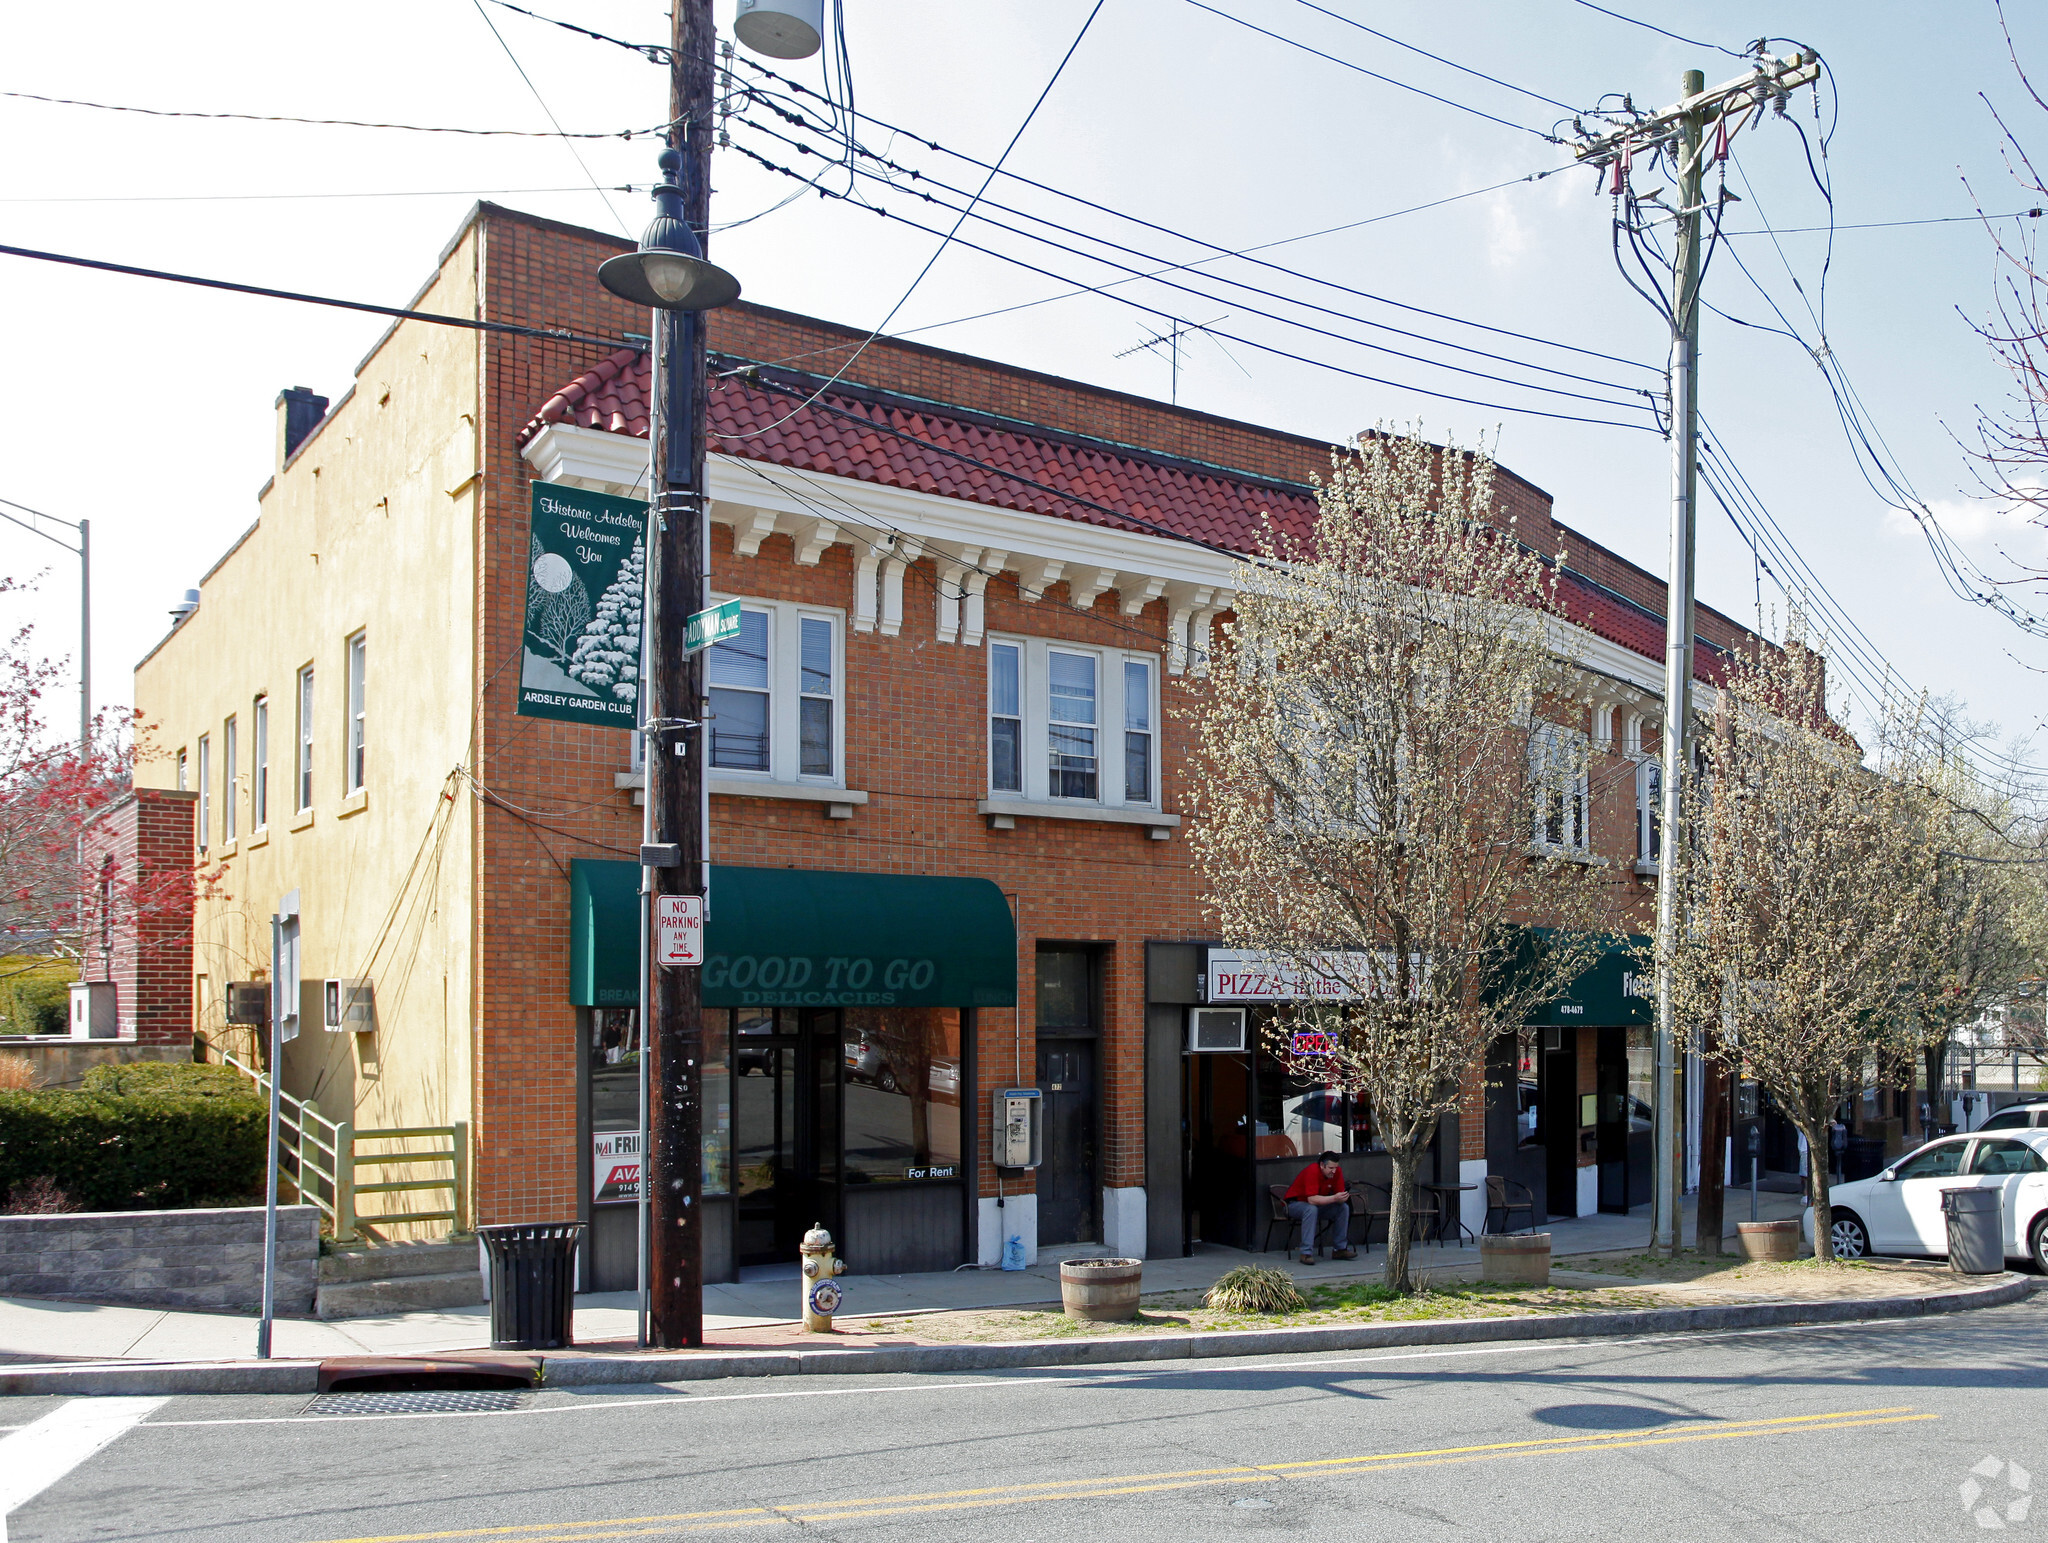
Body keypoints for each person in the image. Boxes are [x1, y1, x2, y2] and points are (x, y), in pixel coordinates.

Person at [1284, 1150, 1355, 1263]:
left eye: (1336, 1168)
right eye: (1331, 1168)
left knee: (1343, 1208)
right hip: (1295, 1205)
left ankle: (1340, 1249)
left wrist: (1343, 1197)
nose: (1334, 1171)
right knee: (1310, 1209)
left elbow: (1338, 1194)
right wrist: (1335, 1198)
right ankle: (1306, 1253)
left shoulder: (1336, 1172)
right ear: (1322, 1165)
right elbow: (1311, 1200)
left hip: (1318, 1206)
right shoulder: (1312, 1170)